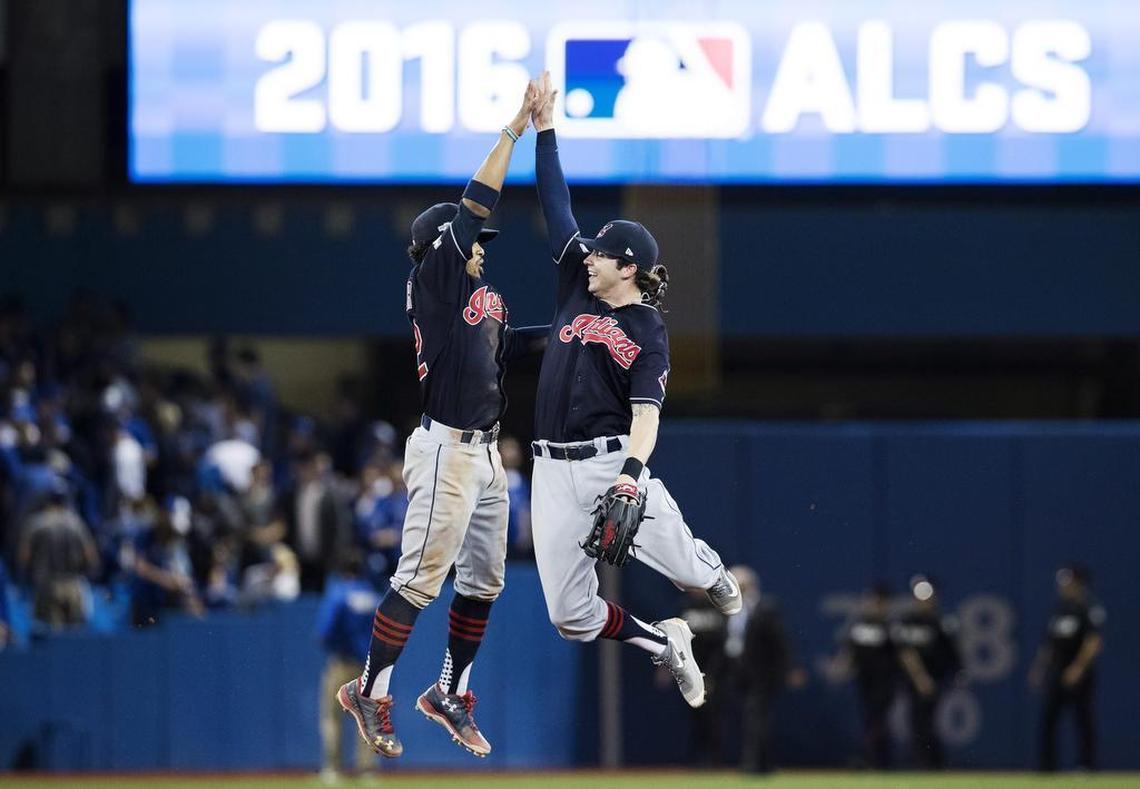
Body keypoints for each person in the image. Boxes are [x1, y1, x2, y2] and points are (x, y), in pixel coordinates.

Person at [337, 78, 549, 760]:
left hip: (486, 453)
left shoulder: (479, 298)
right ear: (440, 247)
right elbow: (475, 203)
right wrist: (514, 131)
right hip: (446, 449)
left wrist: (581, 328)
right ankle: (369, 688)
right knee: (420, 577)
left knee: (484, 580)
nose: (481, 243)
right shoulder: (436, 278)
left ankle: (449, 690)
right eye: (470, 238)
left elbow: (510, 345)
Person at [526, 72, 740, 711]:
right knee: (569, 615)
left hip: (610, 463)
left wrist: (631, 475)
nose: (586, 257)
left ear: (627, 267)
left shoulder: (648, 331)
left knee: (686, 573)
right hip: (547, 467)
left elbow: (647, 415)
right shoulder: (577, 288)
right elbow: (556, 206)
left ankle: (717, 574)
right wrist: (545, 132)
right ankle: (665, 641)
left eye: (600, 255)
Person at [1029, 564, 1105, 772]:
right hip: (1057, 671)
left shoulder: (1088, 608)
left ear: (1079, 583)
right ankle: (1048, 766)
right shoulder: (1060, 609)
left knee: (1082, 720)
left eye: (1068, 582)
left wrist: (1078, 668)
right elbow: (1050, 644)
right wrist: (1039, 669)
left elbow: (1093, 642)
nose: (1063, 586)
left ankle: (1086, 765)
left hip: (1079, 674)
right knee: (1049, 720)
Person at [317, 551, 382, 783]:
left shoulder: (339, 593)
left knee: (332, 718)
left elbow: (324, 631)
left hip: (343, 661)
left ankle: (333, 770)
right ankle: (367, 771)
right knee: (366, 718)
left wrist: (338, 646)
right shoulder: (372, 595)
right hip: (368, 665)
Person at [739, 569, 806, 774]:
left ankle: (756, 765)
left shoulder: (765, 609)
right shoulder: (731, 610)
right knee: (755, 718)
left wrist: (790, 668)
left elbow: (781, 642)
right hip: (741, 674)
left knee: (757, 718)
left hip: (763, 674)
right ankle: (763, 764)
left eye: (740, 587)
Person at [893, 576, 962, 769]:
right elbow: (905, 653)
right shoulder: (908, 621)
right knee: (918, 722)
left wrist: (957, 673)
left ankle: (931, 764)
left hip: (936, 679)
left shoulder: (941, 623)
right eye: (920, 597)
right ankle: (925, 763)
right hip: (915, 681)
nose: (924, 601)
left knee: (927, 722)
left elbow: (953, 655)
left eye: (928, 597)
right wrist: (921, 679)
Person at [837, 582, 897, 769]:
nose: (874, 604)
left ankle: (872, 758)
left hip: (885, 681)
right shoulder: (859, 625)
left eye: (879, 601)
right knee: (870, 718)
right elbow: (849, 652)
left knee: (879, 719)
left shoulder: (890, 626)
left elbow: (904, 656)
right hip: (865, 681)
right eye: (872, 600)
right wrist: (841, 668)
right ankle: (875, 759)